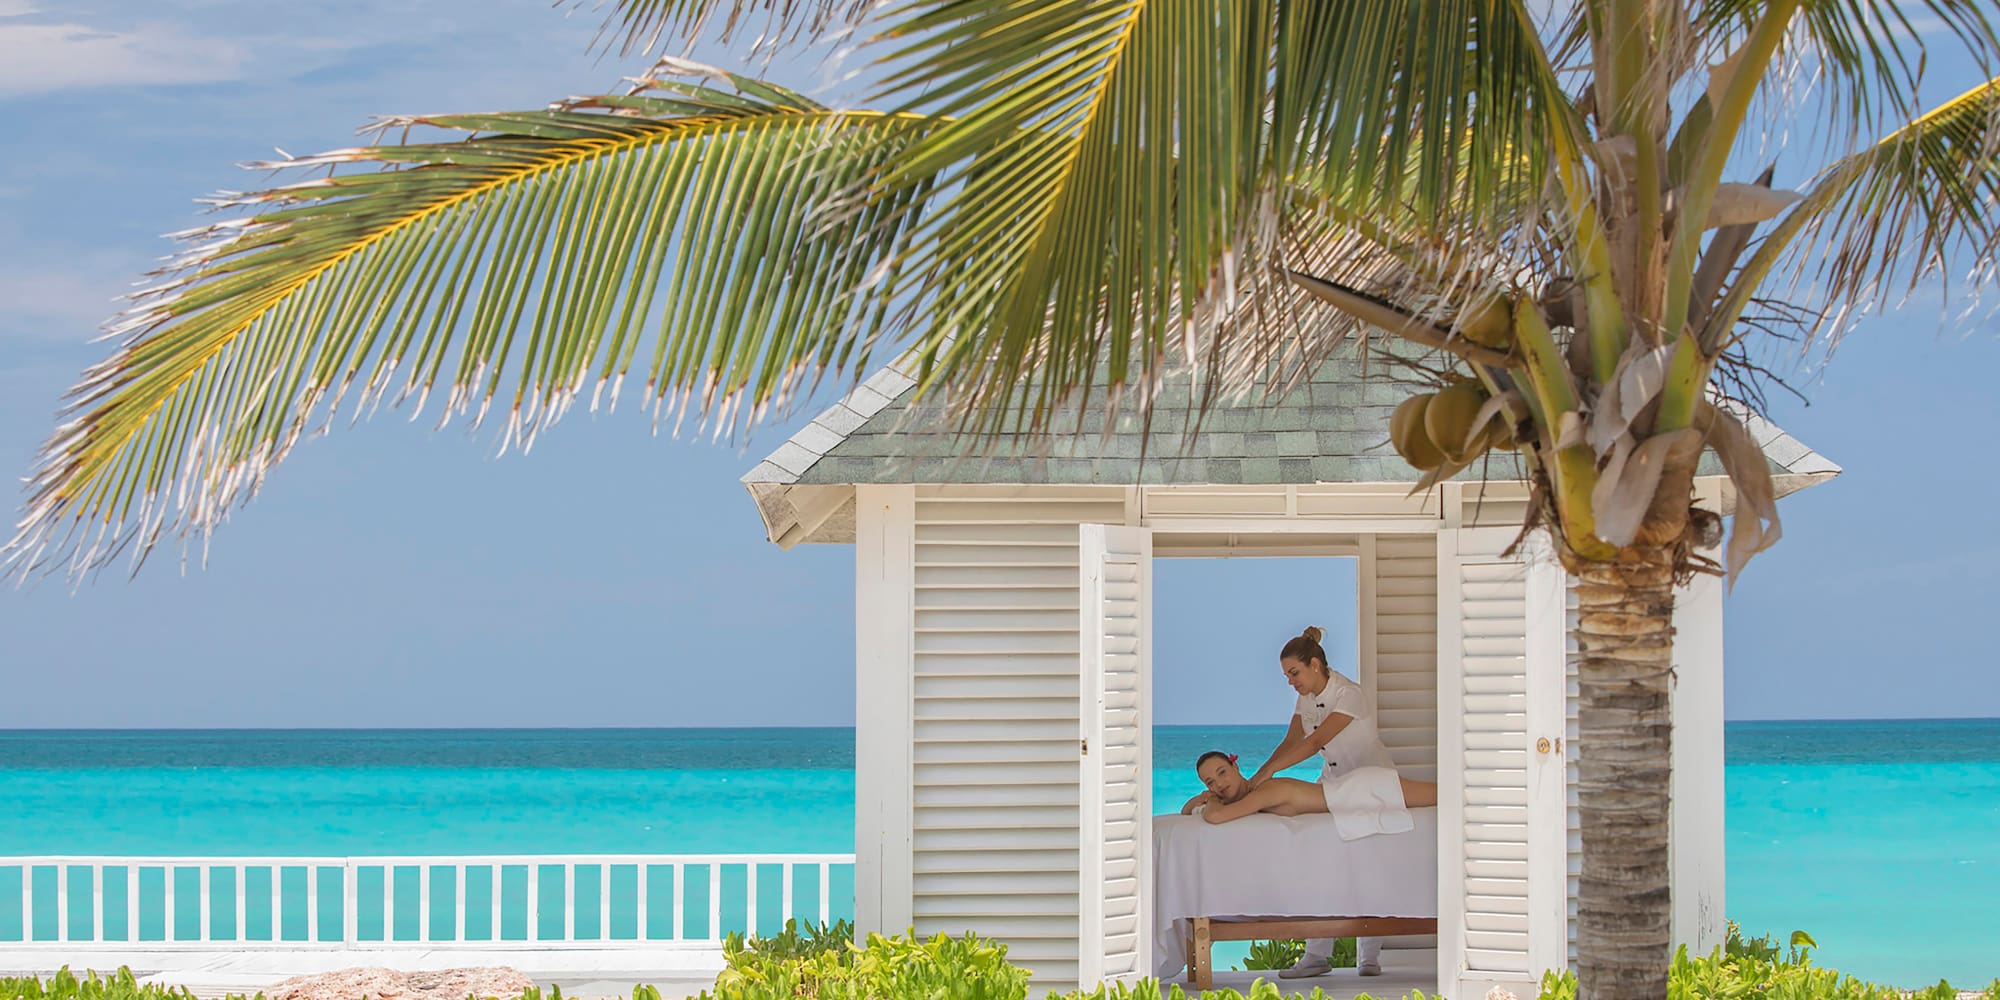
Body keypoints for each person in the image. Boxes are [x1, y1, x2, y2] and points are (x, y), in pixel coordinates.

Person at [1243, 626, 1405, 980]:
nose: (1290, 682)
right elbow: (1292, 739)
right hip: (1334, 784)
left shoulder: (1349, 694)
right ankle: (1317, 954)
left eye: (1294, 673)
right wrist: (1258, 778)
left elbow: (1314, 742)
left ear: (1315, 664)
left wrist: (1267, 773)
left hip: (1370, 786)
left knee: (1369, 866)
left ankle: (1369, 955)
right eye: (1287, 676)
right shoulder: (1306, 698)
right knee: (1321, 863)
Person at [1179, 749, 1436, 822]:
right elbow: (1185, 811)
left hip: (1365, 789)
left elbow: (1217, 816)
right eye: (1210, 782)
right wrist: (1201, 797)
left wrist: (1209, 799)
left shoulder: (1264, 792)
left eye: (1222, 773)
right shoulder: (1251, 795)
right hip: (1354, 793)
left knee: (1447, 795)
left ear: (1236, 767)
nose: (1219, 784)